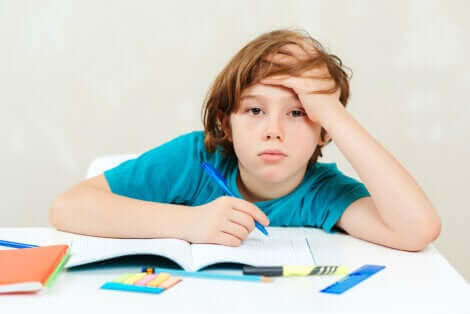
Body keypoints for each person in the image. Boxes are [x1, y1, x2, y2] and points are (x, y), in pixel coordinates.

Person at [50, 29, 441, 251]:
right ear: (226, 123)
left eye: (298, 112)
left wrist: (333, 111)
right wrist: (191, 223)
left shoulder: (322, 192)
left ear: (325, 130)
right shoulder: (194, 159)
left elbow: (417, 230)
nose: (274, 130)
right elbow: (69, 207)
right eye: (254, 111)